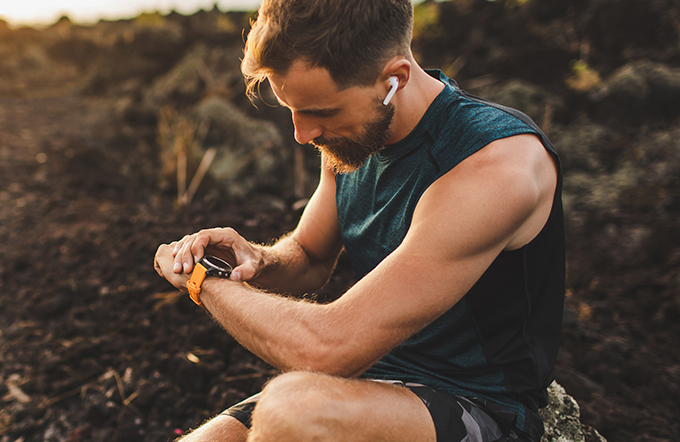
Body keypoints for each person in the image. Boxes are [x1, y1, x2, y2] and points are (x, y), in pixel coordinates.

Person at [152, 0, 565, 441]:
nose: (301, 133)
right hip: (372, 383)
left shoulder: (495, 164)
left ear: (395, 79)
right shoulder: (353, 140)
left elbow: (325, 351)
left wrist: (205, 281)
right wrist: (253, 259)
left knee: (294, 411)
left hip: (479, 404)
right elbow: (310, 254)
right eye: (291, 108)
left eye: (321, 112)